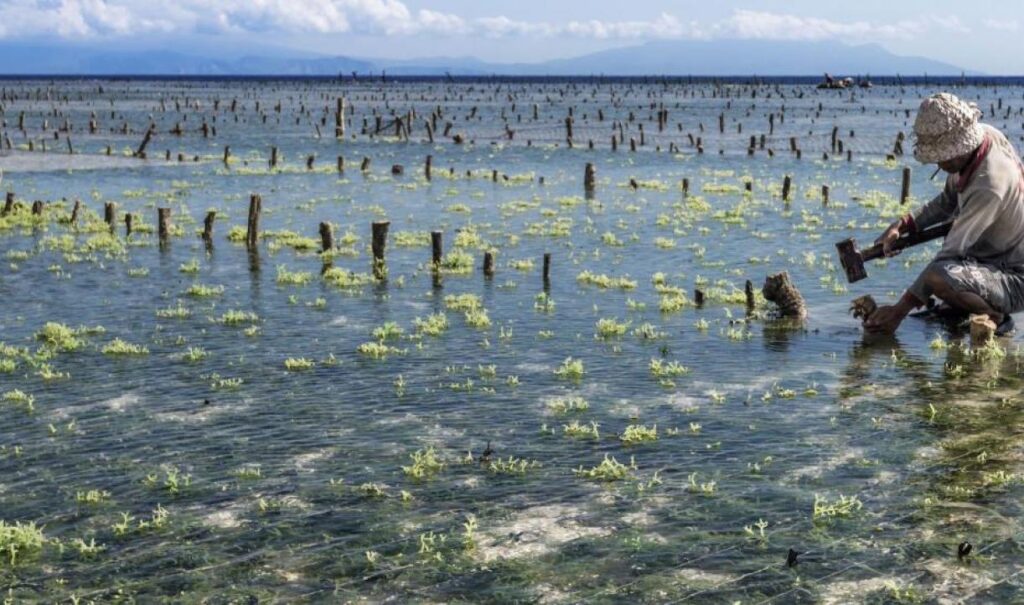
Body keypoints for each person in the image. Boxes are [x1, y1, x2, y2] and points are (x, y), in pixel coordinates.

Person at [866, 92, 1024, 335]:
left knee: (940, 276)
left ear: (961, 147)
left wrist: (898, 311)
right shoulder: (983, 138)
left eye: (943, 158)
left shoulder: (989, 185)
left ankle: (998, 318)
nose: (939, 165)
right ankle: (964, 305)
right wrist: (903, 224)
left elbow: (947, 257)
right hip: (988, 258)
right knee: (944, 274)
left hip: (1014, 277)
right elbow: (947, 201)